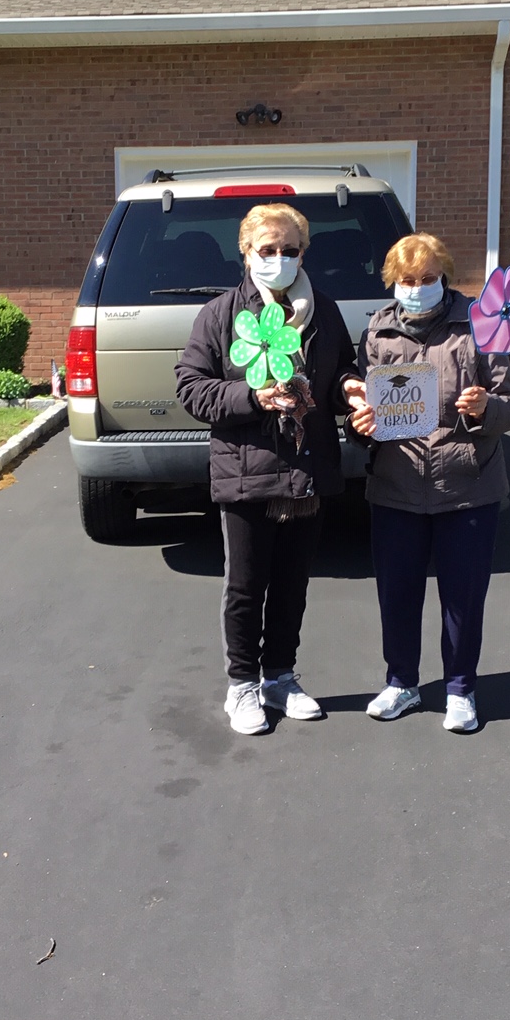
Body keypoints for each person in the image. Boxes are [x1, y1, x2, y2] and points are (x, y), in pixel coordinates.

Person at [176, 203, 368, 735]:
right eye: (268, 249)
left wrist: (347, 388)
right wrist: (253, 397)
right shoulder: (219, 316)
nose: (280, 259)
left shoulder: (322, 311)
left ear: (303, 253)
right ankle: (242, 686)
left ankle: (280, 676)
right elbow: (191, 388)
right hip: (246, 469)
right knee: (245, 584)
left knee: (292, 583)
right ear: (246, 252)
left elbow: (339, 371)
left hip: (307, 467)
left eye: (290, 250)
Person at [348, 233, 510, 732]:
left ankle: (460, 689)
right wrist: (359, 424)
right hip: (396, 486)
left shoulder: (478, 323)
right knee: (397, 594)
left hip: (467, 484)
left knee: (463, 598)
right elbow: (365, 405)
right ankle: (401, 682)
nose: (417, 288)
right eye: (407, 281)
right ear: (393, 283)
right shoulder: (378, 333)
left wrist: (487, 408)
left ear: (443, 276)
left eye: (427, 279)